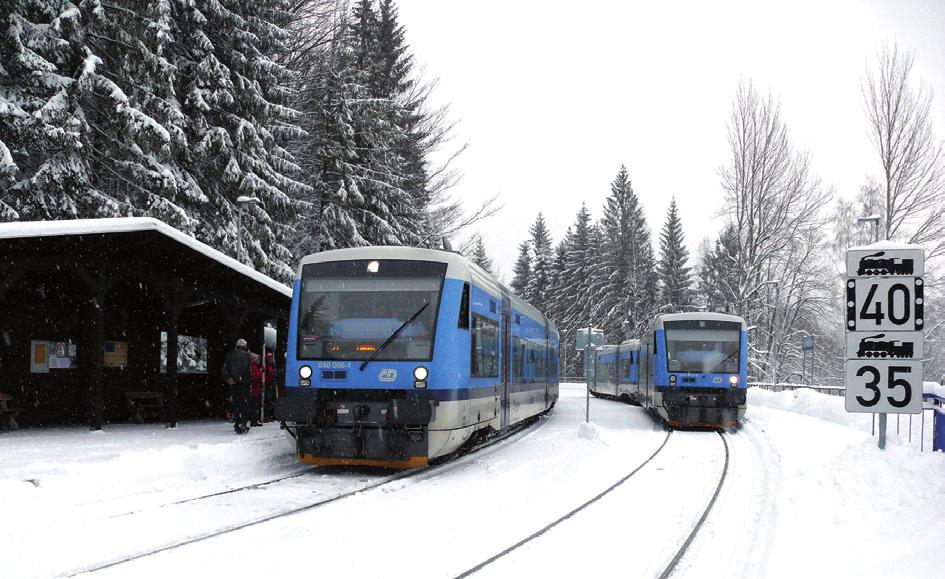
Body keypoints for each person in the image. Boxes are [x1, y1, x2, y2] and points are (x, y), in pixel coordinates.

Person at [221, 338, 252, 434]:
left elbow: (224, 369)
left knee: (236, 404)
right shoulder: (247, 356)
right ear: (245, 346)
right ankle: (243, 422)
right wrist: (241, 378)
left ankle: (237, 423)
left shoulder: (229, 355)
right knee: (244, 404)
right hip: (244, 384)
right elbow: (246, 369)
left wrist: (229, 379)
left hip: (234, 384)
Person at [250, 348, 277, 426]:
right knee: (257, 403)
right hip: (257, 387)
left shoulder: (268, 366)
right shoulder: (255, 366)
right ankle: (258, 418)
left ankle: (260, 417)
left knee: (261, 403)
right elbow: (258, 376)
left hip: (260, 387)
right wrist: (262, 371)